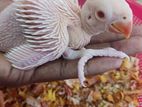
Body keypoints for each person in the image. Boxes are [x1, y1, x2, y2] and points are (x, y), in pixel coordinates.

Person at [0, 0, 142, 88]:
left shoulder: (71, 17)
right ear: (89, 15)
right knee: (56, 46)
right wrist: (64, 49)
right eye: (101, 14)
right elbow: (17, 60)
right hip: (5, 35)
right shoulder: (57, 39)